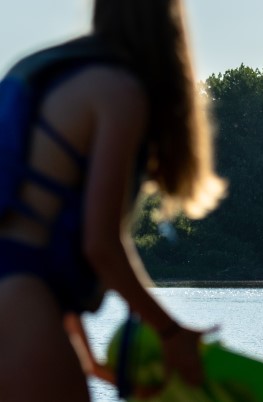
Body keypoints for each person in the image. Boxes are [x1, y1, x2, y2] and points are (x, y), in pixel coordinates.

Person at [0, 0, 226, 400]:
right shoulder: (120, 91)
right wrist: (170, 333)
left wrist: (91, 363)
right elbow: (100, 245)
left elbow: (41, 240)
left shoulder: (51, 71)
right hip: (18, 300)